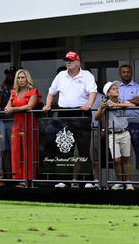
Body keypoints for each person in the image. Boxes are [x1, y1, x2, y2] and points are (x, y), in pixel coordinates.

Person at [43, 51, 98, 188]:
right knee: (64, 148)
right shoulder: (61, 76)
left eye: (71, 60)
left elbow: (93, 91)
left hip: (81, 112)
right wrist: (48, 104)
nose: (68, 62)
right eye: (67, 60)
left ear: (78, 62)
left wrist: (89, 105)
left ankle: (88, 181)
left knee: (84, 148)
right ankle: (63, 180)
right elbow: (51, 92)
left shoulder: (86, 75)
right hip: (64, 114)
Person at [95, 81, 135, 190]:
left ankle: (128, 182)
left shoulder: (122, 101)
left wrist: (116, 105)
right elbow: (96, 117)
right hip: (112, 134)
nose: (116, 90)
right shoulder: (105, 103)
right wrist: (101, 108)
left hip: (124, 132)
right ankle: (119, 182)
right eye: (113, 89)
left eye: (116, 88)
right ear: (107, 94)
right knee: (116, 160)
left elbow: (133, 105)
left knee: (126, 158)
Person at [4, 69, 40, 187]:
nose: (20, 80)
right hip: (16, 124)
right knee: (16, 151)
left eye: (23, 77)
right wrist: (8, 109)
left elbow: (30, 106)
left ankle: (27, 178)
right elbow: (8, 105)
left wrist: (13, 109)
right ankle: (18, 178)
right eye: (18, 78)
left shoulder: (33, 91)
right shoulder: (14, 92)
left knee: (28, 151)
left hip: (28, 123)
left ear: (27, 79)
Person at [117, 64, 139, 188]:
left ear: (132, 73)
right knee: (121, 154)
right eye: (123, 72)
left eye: (128, 72)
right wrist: (131, 101)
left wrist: (123, 102)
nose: (126, 74)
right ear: (120, 74)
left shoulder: (138, 87)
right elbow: (113, 101)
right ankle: (124, 182)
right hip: (120, 122)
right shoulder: (116, 88)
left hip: (135, 122)